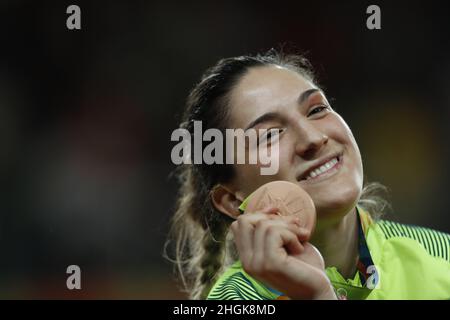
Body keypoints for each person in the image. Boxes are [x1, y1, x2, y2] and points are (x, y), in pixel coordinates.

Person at [165, 49, 450, 300]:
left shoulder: (441, 256)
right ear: (230, 199)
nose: (313, 138)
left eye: (316, 109)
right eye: (271, 134)